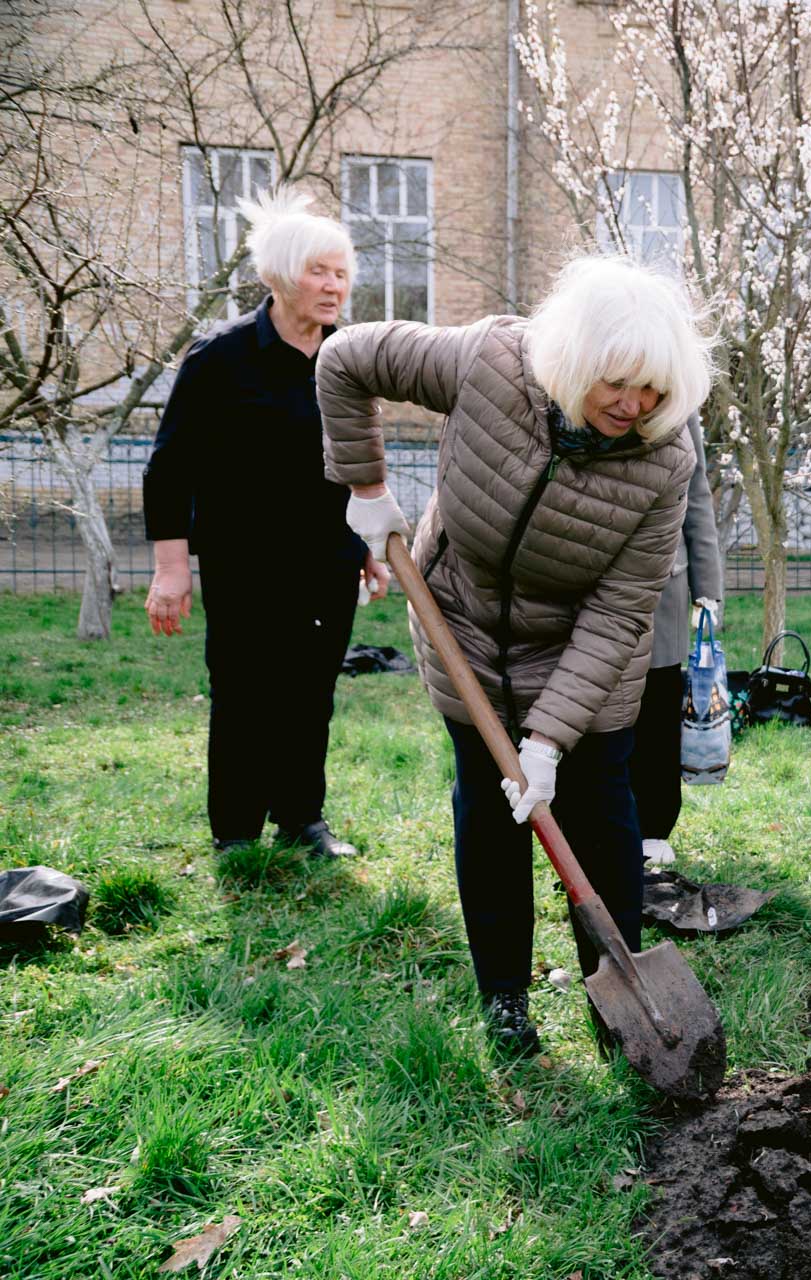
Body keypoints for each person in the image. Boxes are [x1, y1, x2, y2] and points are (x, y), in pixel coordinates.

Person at [317, 255, 712, 1055]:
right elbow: (346, 359)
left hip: (585, 661)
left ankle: (617, 1006)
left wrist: (547, 740)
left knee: (601, 823)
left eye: (652, 390)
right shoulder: (492, 361)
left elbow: (619, 611)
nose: (632, 405)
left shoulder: (664, 461)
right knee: (488, 816)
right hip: (461, 631)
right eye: (616, 382)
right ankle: (504, 996)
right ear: (574, 360)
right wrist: (365, 487)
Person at [143, 189, 385, 860]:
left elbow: (360, 460)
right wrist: (170, 568)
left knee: (311, 690)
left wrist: (370, 544)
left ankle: (302, 819)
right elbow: (169, 468)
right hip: (243, 561)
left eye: (341, 273)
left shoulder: (348, 359)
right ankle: (237, 832)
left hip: (328, 559)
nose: (334, 286)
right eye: (319, 271)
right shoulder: (218, 358)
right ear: (278, 276)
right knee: (246, 691)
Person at [629, 415, 725, 866]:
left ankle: (653, 828)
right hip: (589, 577)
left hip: (662, 586)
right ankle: (598, 832)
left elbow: (697, 494)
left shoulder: (679, 402)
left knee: (656, 709)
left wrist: (707, 590)